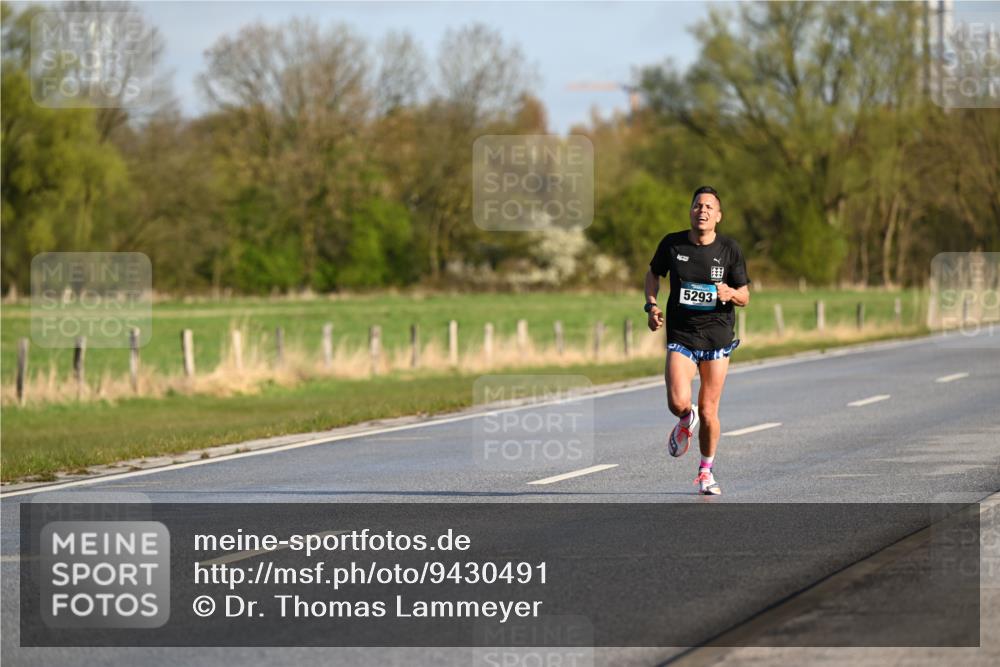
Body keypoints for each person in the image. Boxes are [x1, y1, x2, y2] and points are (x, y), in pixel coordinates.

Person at [643, 186, 750, 495]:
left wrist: (730, 293)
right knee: (678, 402)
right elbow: (653, 274)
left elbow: (745, 295)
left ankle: (706, 472)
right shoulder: (672, 244)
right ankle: (684, 417)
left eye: (708, 207)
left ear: (718, 216)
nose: (702, 211)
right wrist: (651, 305)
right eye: (697, 205)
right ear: (690, 210)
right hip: (682, 334)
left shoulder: (730, 250)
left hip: (717, 337)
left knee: (709, 411)